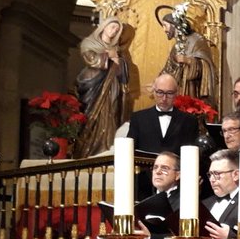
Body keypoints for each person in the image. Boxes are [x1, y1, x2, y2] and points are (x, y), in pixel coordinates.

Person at [75, 17, 129, 157]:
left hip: (110, 88)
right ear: (103, 27)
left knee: (110, 114)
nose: (113, 31)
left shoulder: (115, 49)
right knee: (92, 116)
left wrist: (118, 61)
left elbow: (120, 72)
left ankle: (105, 148)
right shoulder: (89, 43)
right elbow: (90, 58)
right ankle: (89, 150)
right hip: (93, 86)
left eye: (117, 30)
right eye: (112, 27)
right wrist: (106, 56)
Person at [157, 3, 216, 102]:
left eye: (165, 26)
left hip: (193, 91)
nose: (164, 30)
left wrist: (188, 61)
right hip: (178, 93)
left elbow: (207, 66)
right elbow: (168, 69)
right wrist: (158, 82)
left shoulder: (197, 40)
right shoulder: (176, 47)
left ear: (174, 25)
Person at [126, 73, 195, 156]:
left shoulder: (189, 121)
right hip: (146, 168)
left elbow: (191, 155)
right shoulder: (138, 118)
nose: (164, 98)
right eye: (160, 92)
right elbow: (129, 151)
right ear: (154, 92)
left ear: (176, 94)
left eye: (169, 93)